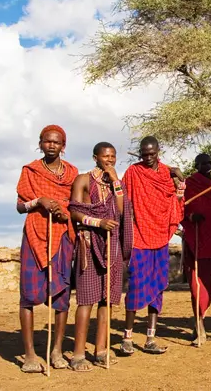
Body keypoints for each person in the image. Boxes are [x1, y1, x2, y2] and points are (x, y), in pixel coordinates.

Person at [15, 125, 78, 373]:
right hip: (35, 235)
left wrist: (64, 212)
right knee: (28, 294)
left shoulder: (72, 173)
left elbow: (77, 203)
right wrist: (39, 201)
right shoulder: (30, 171)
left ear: (63, 146)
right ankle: (30, 355)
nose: (52, 145)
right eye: (47, 142)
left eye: (57, 142)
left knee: (62, 293)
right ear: (40, 143)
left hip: (62, 234)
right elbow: (20, 207)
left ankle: (57, 350)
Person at [68, 142, 133, 371]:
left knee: (106, 299)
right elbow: (75, 211)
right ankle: (77, 354)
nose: (109, 160)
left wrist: (115, 179)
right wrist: (98, 222)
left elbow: (121, 210)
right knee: (86, 299)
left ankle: (101, 349)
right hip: (89, 243)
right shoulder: (83, 179)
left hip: (111, 244)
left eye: (113, 157)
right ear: (95, 157)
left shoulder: (116, 183)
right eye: (106, 156)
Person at [121, 136, 184, 355]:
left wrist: (180, 179)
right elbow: (123, 202)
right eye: (144, 154)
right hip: (139, 238)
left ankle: (150, 338)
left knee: (157, 287)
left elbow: (176, 201)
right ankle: (127, 337)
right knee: (136, 285)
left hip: (160, 239)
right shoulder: (132, 173)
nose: (148, 158)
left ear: (159, 151)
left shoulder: (167, 174)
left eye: (152, 154)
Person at [181, 153, 211, 345]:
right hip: (196, 238)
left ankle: (199, 325)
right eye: (203, 163)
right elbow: (180, 208)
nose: (207, 166)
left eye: (209, 162)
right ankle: (199, 327)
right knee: (196, 285)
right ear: (196, 165)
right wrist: (191, 218)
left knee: (208, 283)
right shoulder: (189, 184)